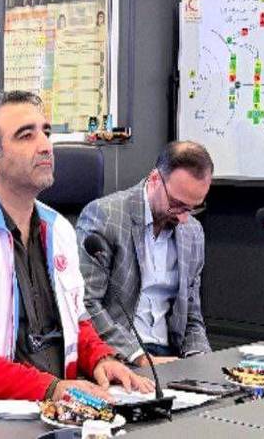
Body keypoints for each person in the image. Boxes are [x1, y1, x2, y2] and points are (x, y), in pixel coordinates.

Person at [0, 91, 152, 409]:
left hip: (54, 407)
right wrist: (51, 388)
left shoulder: (59, 230)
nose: (45, 146)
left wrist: (100, 358)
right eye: (26, 135)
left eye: (46, 132)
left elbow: (76, 320)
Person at [77, 141, 214, 365]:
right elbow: (86, 303)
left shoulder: (193, 231)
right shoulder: (105, 216)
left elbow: (192, 315)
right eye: (176, 204)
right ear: (154, 179)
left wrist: (200, 361)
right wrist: (139, 357)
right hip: (121, 356)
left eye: (192, 208)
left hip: (171, 356)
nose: (183, 218)